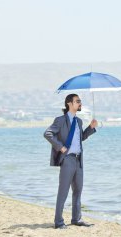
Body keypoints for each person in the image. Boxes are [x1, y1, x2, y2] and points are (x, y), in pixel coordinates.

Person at [44, 93, 97, 229]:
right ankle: (59, 222)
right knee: (63, 191)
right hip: (67, 160)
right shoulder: (60, 120)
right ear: (69, 103)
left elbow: (81, 138)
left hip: (79, 161)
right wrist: (60, 147)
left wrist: (91, 128)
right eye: (77, 101)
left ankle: (76, 219)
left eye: (80, 101)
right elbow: (48, 133)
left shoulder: (79, 121)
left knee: (78, 190)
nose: (80, 103)